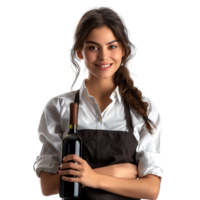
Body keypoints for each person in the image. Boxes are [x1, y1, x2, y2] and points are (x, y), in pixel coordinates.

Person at [32, 6, 165, 199]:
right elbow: (48, 186)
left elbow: (152, 190)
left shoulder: (145, 109)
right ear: (80, 52)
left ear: (123, 51)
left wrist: (93, 177)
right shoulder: (57, 107)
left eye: (112, 46)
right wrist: (121, 172)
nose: (103, 56)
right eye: (93, 47)